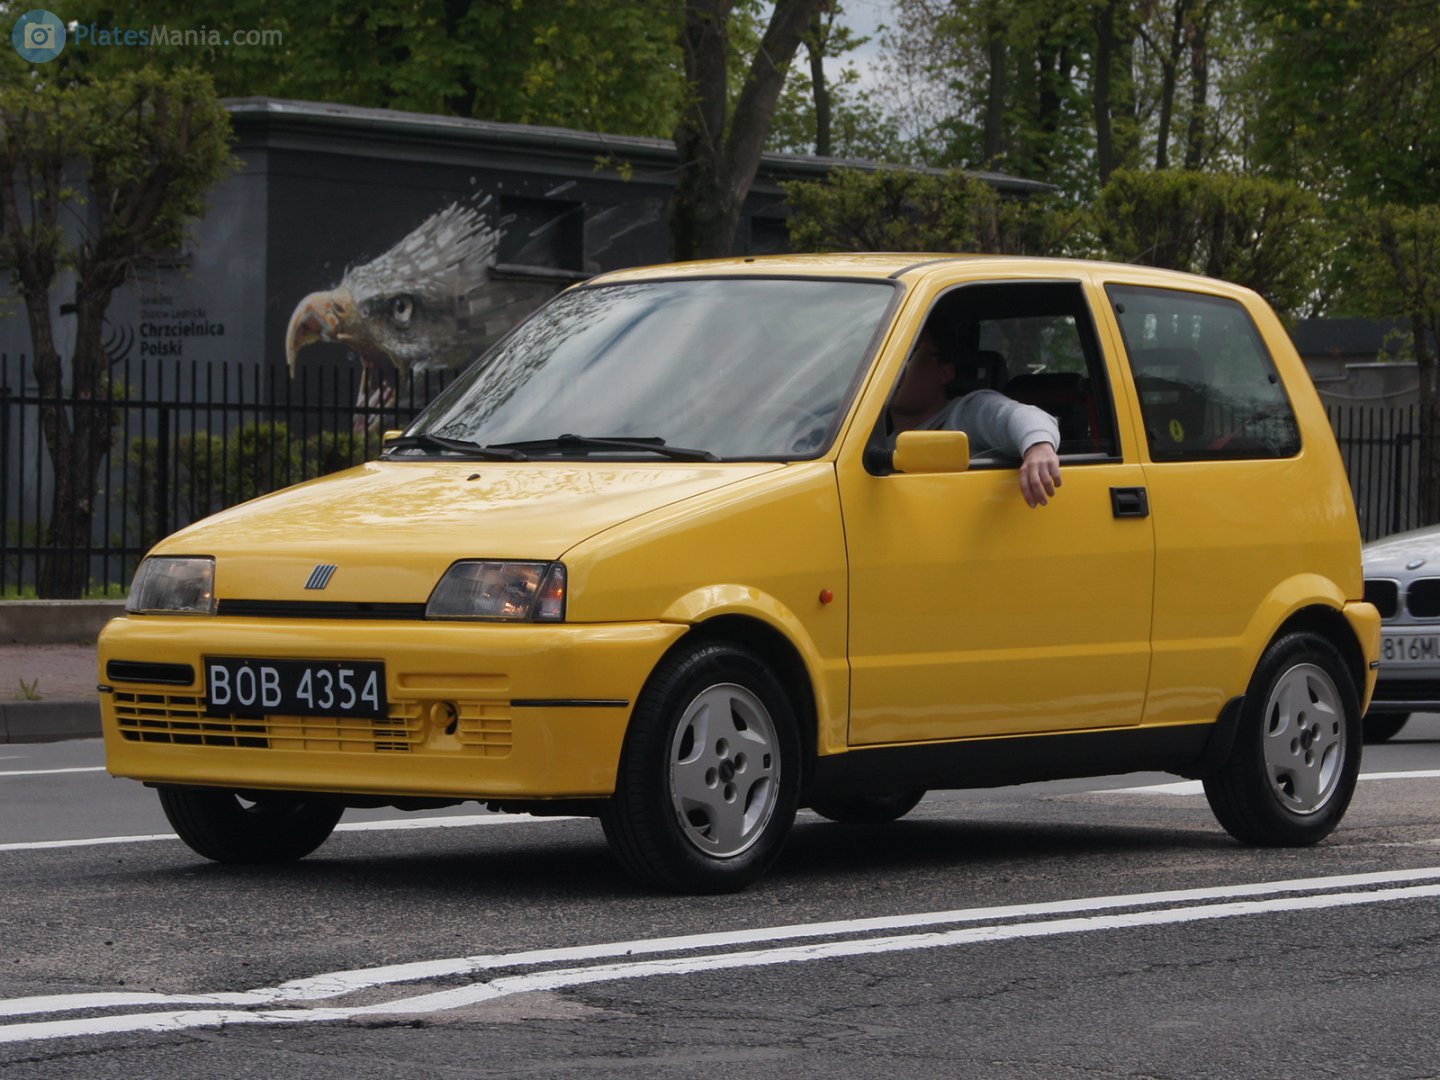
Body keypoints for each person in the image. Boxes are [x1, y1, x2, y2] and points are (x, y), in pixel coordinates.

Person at [889, 327, 1062, 508]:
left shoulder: (967, 412)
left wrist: (1038, 448)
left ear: (945, 372)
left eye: (913, 356)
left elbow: (1020, 415)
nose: (898, 369)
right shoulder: (871, 440)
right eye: (890, 359)